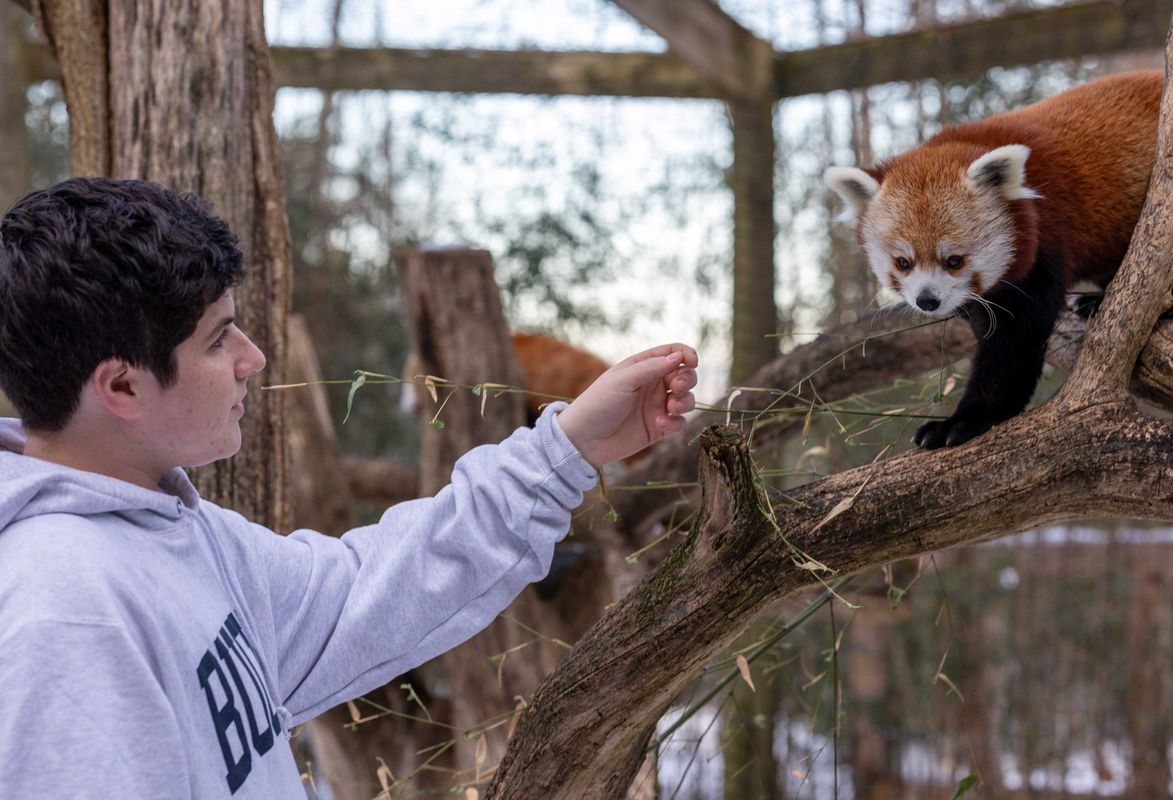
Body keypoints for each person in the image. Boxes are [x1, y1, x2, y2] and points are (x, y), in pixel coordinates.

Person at [0, 177, 698, 797]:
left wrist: (570, 447)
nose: (253, 358)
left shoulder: (173, 530)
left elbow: (374, 587)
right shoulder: (64, 619)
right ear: (122, 384)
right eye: (218, 340)